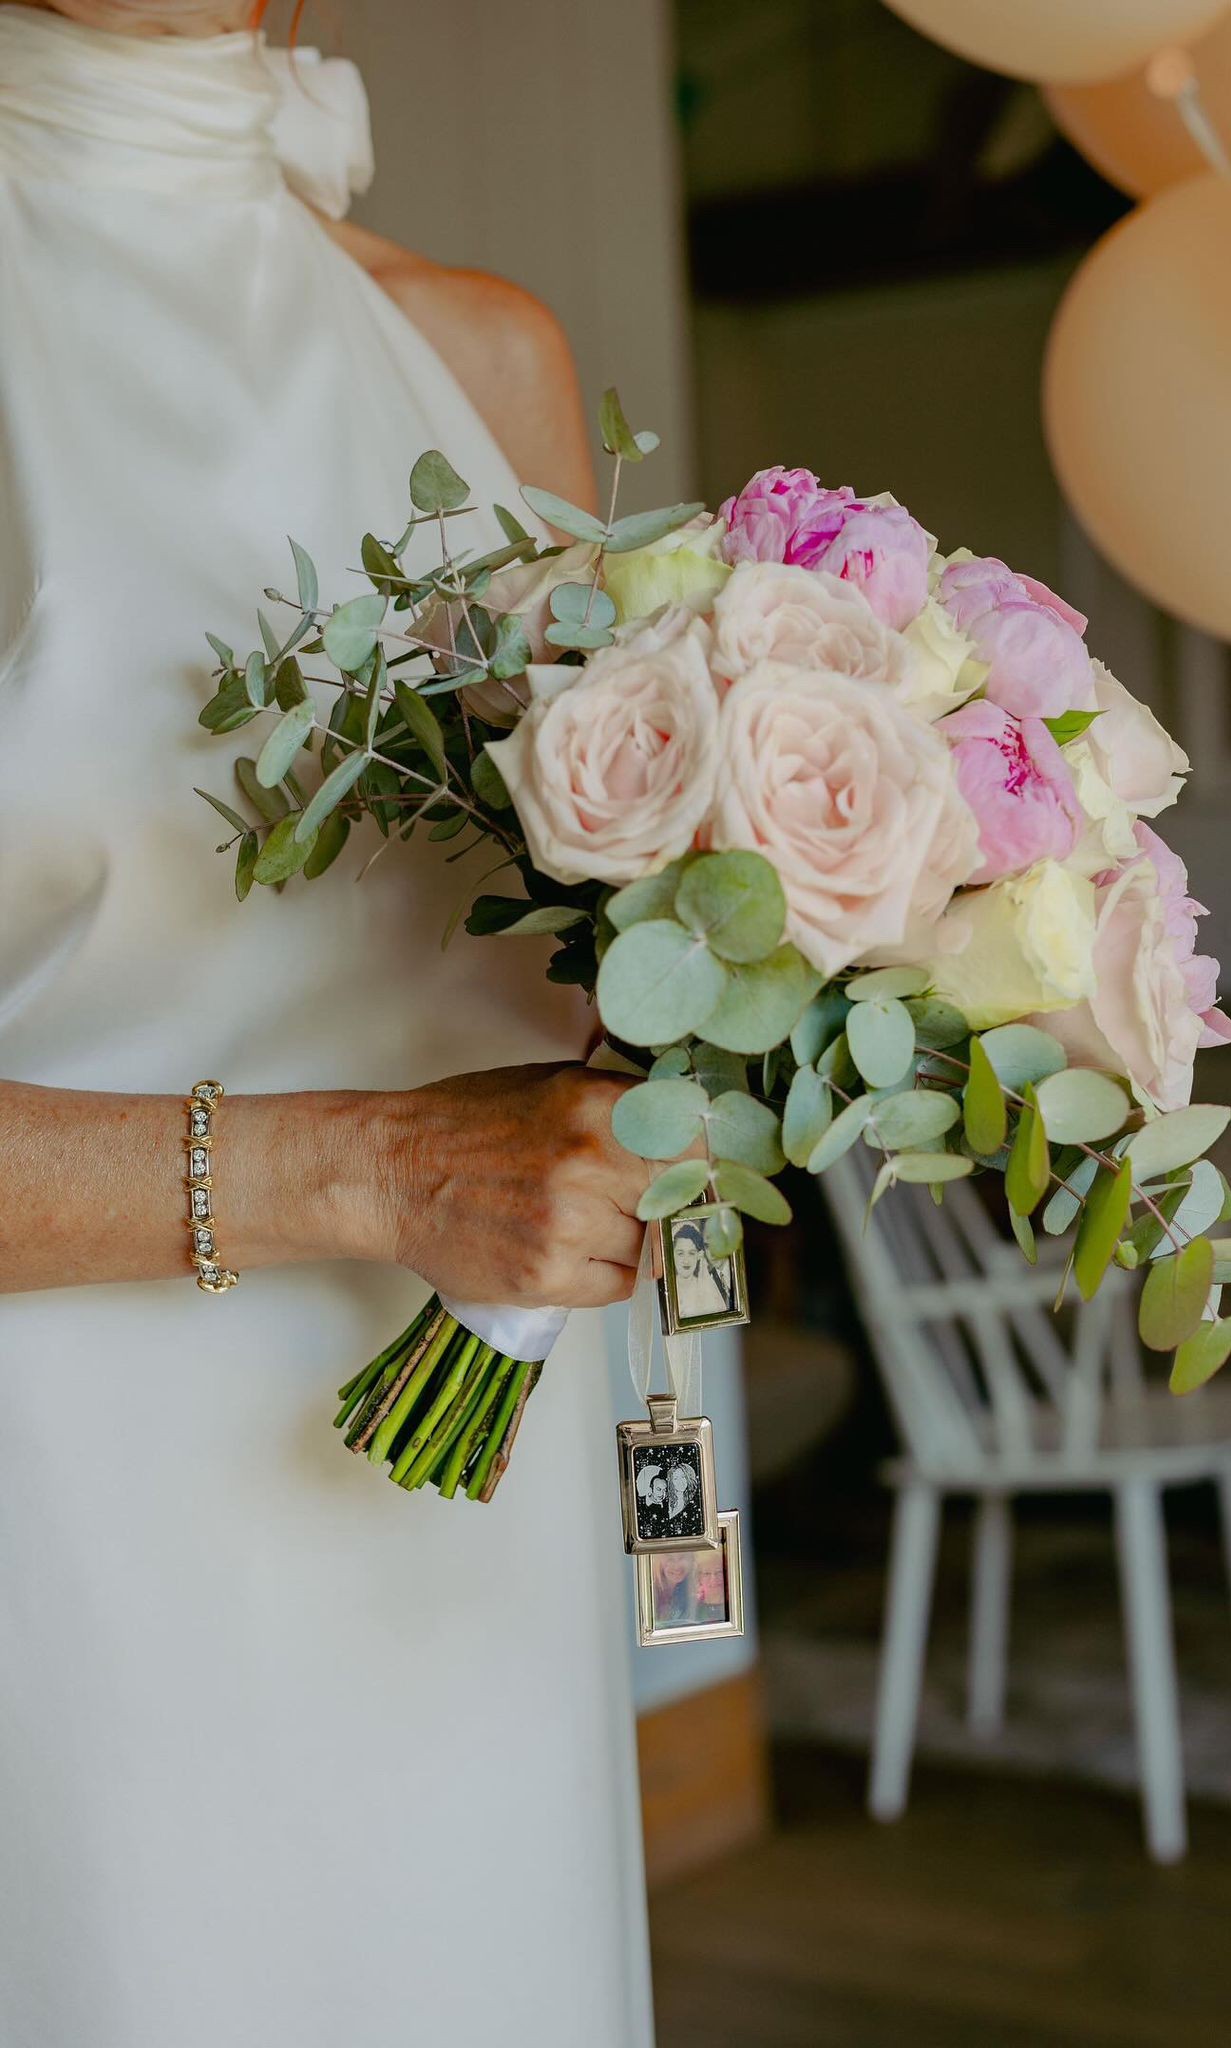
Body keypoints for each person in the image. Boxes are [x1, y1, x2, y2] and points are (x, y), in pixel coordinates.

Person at [0, 5, 655, 2044]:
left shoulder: (490, 359)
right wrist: (377, 1167)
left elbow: (610, 985)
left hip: (477, 1531)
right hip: (90, 1565)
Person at [671, 1220, 733, 1321]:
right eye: (680, 1253)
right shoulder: (712, 1278)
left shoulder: (709, 1288)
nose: (686, 1261)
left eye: (691, 1253)